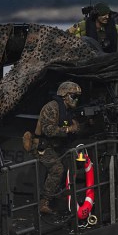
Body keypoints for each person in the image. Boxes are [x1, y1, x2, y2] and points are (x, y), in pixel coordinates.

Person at [33, 81, 82, 214]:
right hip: (43, 146)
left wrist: (77, 127)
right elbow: (49, 130)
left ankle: (61, 196)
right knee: (57, 169)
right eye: (73, 96)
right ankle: (44, 202)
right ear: (64, 95)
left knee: (72, 164)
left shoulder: (68, 110)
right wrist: (69, 129)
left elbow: (75, 126)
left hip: (58, 146)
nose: (75, 99)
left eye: (77, 96)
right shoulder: (52, 107)